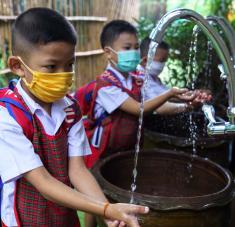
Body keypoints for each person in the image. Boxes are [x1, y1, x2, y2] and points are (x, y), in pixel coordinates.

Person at [0, 8, 149, 227]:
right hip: (24, 218)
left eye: (69, 65)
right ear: (18, 67)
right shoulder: (8, 115)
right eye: (51, 67)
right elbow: (43, 182)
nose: (63, 74)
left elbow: (78, 170)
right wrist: (105, 208)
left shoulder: (70, 109)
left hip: (63, 213)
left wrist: (107, 213)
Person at [75, 20, 195, 169]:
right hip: (101, 154)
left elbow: (157, 105)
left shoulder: (136, 78)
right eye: (127, 48)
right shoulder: (106, 87)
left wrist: (187, 103)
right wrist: (170, 93)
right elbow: (140, 109)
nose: (134, 52)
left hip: (126, 150)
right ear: (108, 52)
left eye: (136, 47)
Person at [137, 37, 211, 114]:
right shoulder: (140, 79)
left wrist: (193, 95)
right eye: (161, 60)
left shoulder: (154, 78)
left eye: (165, 61)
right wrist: (188, 106)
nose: (163, 64)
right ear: (145, 60)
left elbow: (167, 96)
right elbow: (158, 107)